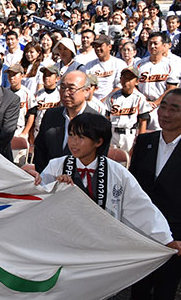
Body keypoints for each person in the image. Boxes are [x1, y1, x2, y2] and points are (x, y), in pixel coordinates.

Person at [24, 113, 179, 258]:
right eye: (71, 135)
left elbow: (139, 206)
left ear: (98, 141)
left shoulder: (117, 171)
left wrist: (165, 238)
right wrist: (51, 187)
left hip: (101, 245)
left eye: (81, 137)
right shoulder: (56, 166)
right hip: (64, 242)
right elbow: (39, 200)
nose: (73, 142)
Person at [130, 88, 181, 299]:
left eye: (175, 109)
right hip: (144, 233)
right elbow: (132, 188)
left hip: (175, 239)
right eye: (163, 107)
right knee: (139, 290)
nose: (166, 114)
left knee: (165, 291)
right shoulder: (144, 142)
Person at [33, 70, 100, 172]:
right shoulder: (50, 115)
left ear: (86, 91)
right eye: (63, 88)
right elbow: (40, 150)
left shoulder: (97, 121)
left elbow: (98, 161)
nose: (65, 93)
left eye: (71, 89)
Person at [104, 66, 150, 152]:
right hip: (113, 134)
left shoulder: (140, 98)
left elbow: (143, 121)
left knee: (130, 162)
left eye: (130, 78)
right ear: (120, 79)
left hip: (130, 135)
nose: (126, 81)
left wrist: (140, 141)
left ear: (137, 81)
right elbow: (106, 119)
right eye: (124, 78)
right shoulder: (111, 97)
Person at [84, 34, 127, 101]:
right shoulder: (89, 65)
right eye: (95, 46)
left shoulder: (119, 64)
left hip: (113, 101)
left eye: (100, 45)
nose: (98, 49)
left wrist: (104, 101)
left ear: (109, 47)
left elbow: (119, 86)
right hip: (92, 103)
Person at [30, 65, 61, 141]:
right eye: (45, 75)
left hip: (55, 131)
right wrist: (30, 135)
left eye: (50, 75)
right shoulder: (37, 94)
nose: (46, 77)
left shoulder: (61, 94)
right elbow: (32, 115)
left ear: (57, 78)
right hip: (38, 131)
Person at [6, 64, 36, 138]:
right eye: (10, 74)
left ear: (22, 75)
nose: (11, 77)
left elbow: (32, 114)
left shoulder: (27, 93)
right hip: (6, 129)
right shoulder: (4, 92)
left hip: (20, 129)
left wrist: (24, 132)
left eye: (14, 74)